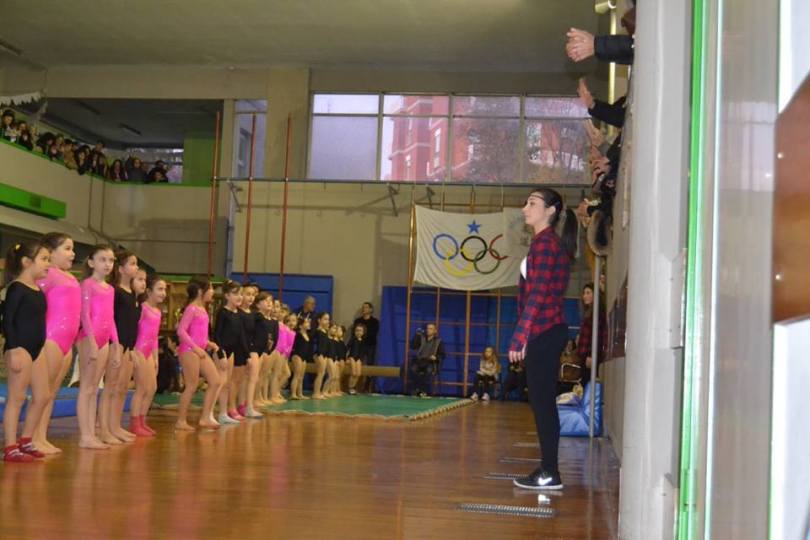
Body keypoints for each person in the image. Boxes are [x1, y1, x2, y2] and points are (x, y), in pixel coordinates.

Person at [509, 188, 577, 491]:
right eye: (526, 202)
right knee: (541, 404)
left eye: (532, 203)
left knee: (543, 405)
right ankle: (549, 469)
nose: (525, 208)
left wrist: (520, 336)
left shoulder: (547, 245)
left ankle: (550, 472)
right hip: (545, 331)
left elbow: (537, 295)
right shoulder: (543, 244)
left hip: (545, 332)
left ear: (550, 210)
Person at [2, 241, 51, 462]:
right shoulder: (16, 288)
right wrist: (13, 349)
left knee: (43, 396)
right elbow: (8, 320)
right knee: (17, 398)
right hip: (19, 347)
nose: (47, 264)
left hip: (36, 349)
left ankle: (26, 440)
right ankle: (10, 446)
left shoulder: (37, 290)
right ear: (26, 262)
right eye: (44, 259)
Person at [33, 233, 81, 454]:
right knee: (42, 392)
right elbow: (34, 301)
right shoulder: (48, 274)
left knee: (52, 392)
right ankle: (32, 437)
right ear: (51, 253)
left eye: (72, 249)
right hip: (51, 337)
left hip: (67, 341)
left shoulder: (70, 277)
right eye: (68, 248)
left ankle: (42, 436)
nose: (72, 254)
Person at [76, 245, 119, 449]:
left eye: (110, 260)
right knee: (87, 387)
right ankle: (85, 435)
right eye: (102, 259)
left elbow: (110, 318)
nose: (107, 264)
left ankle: (92, 434)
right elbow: (84, 315)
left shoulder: (110, 289)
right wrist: (92, 342)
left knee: (94, 388)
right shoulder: (87, 284)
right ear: (92, 262)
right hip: (88, 338)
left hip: (104, 341)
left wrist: (116, 344)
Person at [99, 250, 140, 446]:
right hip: (115, 343)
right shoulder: (115, 291)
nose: (136, 267)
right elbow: (110, 319)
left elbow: (132, 323)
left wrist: (131, 347)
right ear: (121, 268)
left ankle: (114, 426)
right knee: (110, 387)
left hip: (127, 344)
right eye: (132, 264)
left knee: (122, 387)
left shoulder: (132, 292)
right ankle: (104, 428)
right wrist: (115, 344)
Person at [175, 276, 222, 431]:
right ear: (201, 291)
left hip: (199, 350)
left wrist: (208, 343)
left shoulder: (202, 309)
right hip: (189, 351)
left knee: (215, 381)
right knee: (191, 385)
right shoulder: (192, 308)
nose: (213, 292)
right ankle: (181, 421)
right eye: (211, 288)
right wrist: (195, 347)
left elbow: (199, 333)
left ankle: (205, 417)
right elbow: (181, 331)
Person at [129, 274, 165, 437]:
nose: (163, 293)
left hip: (149, 352)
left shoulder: (157, 312)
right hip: (139, 350)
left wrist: (156, 358)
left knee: (152, 388)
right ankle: (134, 422)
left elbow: (154, 337)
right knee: (141, 388)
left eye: (164, 289)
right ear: (149, 291)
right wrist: (134, 350)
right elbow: (134, 330)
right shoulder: (142, 308)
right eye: (160, 289)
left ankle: (142, 420)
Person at [213, 281, 249, 424]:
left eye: (240, 294)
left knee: (227, 384)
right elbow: (217, 335)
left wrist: (247, 356)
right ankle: (209, 412)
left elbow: (241, 336)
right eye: (235, 294)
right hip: (221, 352)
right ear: (227, 296)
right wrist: (221, 354)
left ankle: (223, 413)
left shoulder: (238, 314)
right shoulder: (223, 312)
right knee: (219, 383)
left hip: (232, 352)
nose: (239, 297)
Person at [577, 282, 608, 387]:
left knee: (587, 383)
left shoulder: (596, 314)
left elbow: (596, 335)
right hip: (587, 354)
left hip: (590, 355)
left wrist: (590, 355)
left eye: (588, 292)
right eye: (584, 293)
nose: (584, 296)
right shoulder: (591, 312)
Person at [409, 323, 445, 397]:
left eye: (431, 329)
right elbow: (412, 346)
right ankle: (416, 389)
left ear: (435, 331)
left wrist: (436, 357)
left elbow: (442, 354)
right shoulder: (421, 338)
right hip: (419, 360)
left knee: (428, 371)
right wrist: (416, 335)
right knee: (413, 369)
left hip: (430, 362)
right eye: (427, 328)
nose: (428, 330)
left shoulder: (438, 341)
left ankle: (423, 390)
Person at [289, 316, 312, 400]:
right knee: (296, 375)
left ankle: (300, 394)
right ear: (300, 326)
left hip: (304, 357)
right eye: (306, 323)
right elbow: (292, 345)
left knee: (301, 377)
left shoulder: (307, 334)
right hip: (297, 355)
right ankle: (293, 394)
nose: (308, 324)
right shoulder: (298, 334)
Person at [312, 312, 331, 399]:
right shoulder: (318, 331)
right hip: (319, 354)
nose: (327, 321)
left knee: (322, 373)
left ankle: (318, 392)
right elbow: (316, 345)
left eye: (328, 319)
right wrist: (319, 355)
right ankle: (315, 393)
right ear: (319, 320)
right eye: (325, 319)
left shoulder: (324, 331)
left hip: (323, 354)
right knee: (320, 373)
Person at [346, 323, 368, 395]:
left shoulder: (364, 341)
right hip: (352, 357)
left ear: (363, 332)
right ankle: (350, 388)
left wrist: (361, 359)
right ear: (354, 332)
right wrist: (346, 358)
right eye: (357, 330)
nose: (358, 332)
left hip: (358, 358)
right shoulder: (353, 339)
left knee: (358, 374)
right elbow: (347, 348)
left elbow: (363, 351)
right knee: (353, 373)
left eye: (360, 331)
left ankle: (353, 387)